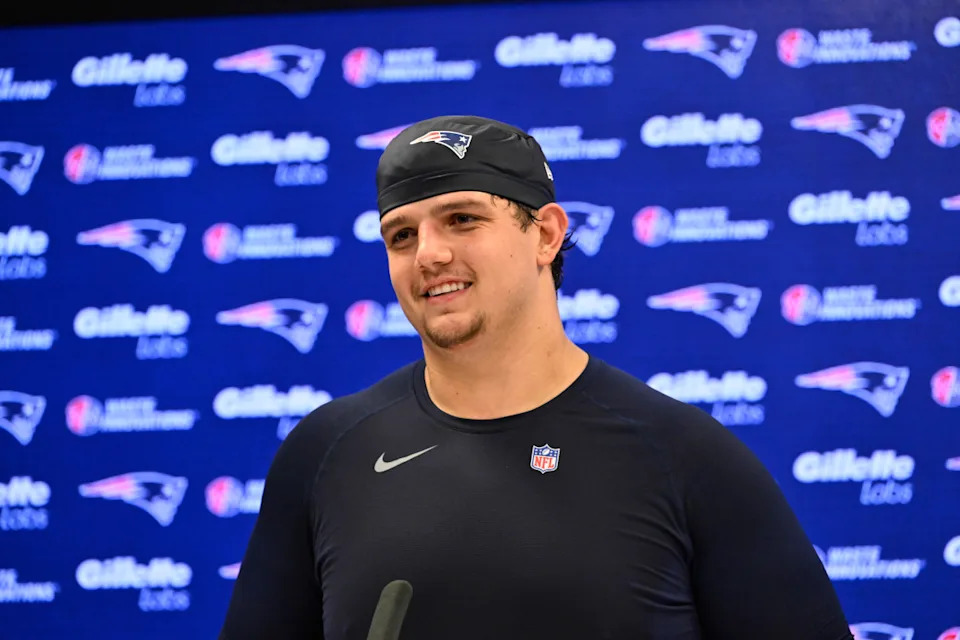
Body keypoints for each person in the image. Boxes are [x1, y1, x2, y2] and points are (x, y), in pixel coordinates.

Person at [218, 115, 854, 640]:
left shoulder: (682, 455)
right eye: (402, 235)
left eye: (462, 219)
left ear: (546, 233)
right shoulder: (328, 453)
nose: (430, 254)